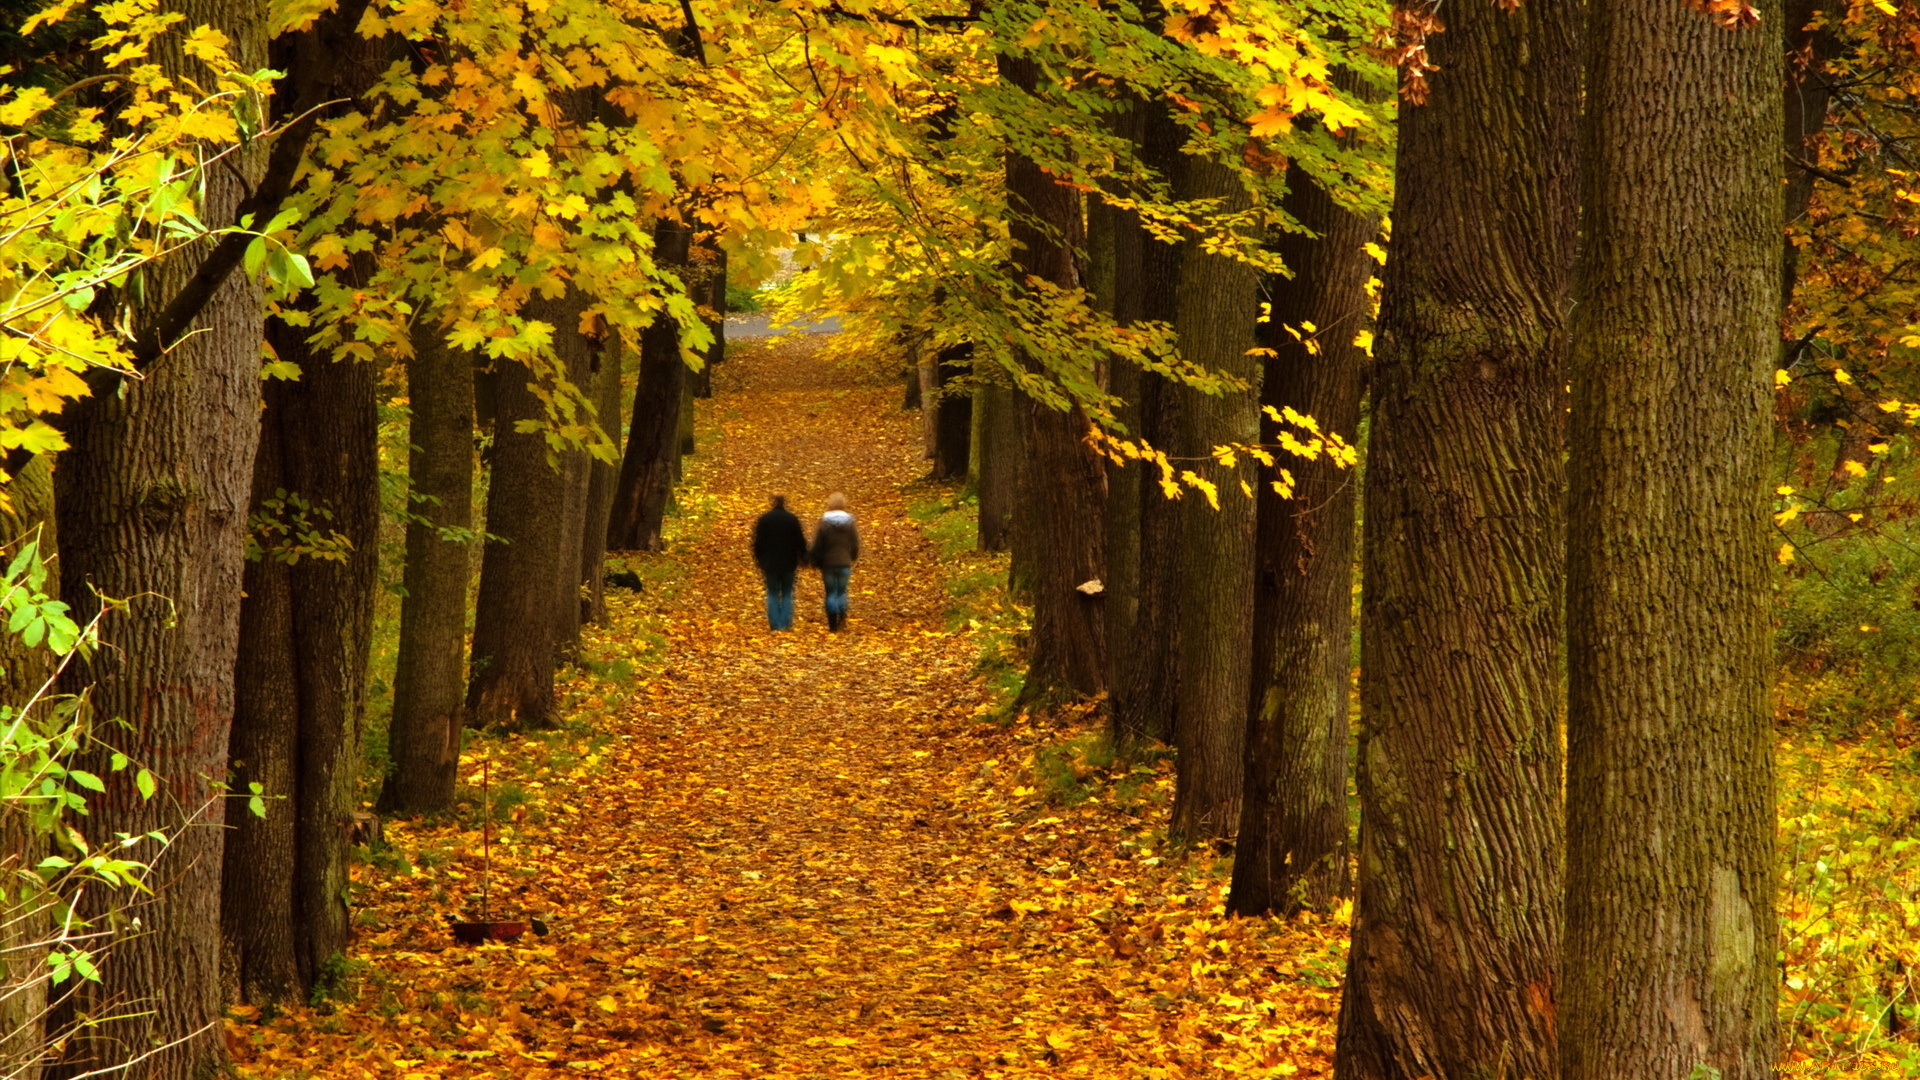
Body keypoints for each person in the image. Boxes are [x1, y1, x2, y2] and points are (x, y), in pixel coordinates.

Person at [751, 493, 808, 631]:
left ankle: (775, 624)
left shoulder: (765, 519)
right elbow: (800, 541)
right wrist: (803, 557)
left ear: (772, 502)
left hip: (770, 562)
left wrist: (759, 559)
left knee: (772, 593)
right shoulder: (792, 519)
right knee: (787, 592)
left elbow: (758, 542)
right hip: (789, 562)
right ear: (784, 503)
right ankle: (785, 623)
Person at [809, 492, 861, 632]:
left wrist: (814, 558)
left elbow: (817, 543)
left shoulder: (824, 522)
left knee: (831, 592)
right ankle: (842, 617)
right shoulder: (850, 522)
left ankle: (832, 623)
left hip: (828, 563)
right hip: (844, 562)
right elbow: (855, 543)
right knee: (842, 591)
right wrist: (852, 556)